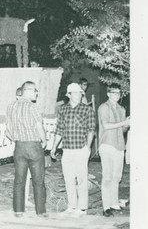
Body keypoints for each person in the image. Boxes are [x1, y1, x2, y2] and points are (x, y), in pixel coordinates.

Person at [51, 83, 96, 217]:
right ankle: (72, 206)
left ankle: (82, 208)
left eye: (80, 93)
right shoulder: (63, 110)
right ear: (69, 95)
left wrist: (87, 147)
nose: (79, 95)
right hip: (67, 150)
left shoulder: (87, 110)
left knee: (81, 179)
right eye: (75, 93)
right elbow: (59, 130)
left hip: (81, 148)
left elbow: (91, 130)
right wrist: (54, 146)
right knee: (68, 178)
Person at [6, 81, 48, 217]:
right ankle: (40, 212)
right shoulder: (32, 107)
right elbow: (38, 126)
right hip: (33, 146)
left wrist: (16, 139)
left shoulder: (11, 106)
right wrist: (45, 140)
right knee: (38, 180)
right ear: (28, 90)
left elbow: (8, 130)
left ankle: (18, 210)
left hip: (19, 147)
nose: (37, 94)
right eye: (35, 91)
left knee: (19, 180)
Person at [97, 84, 130, 217]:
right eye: (114, 92)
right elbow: (106, 125)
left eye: (118, 93)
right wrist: (123, 123)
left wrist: (127, 124)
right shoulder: (103, 107)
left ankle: (114, 203)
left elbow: (122, 130)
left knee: (117, 176)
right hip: (107, 144)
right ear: (108, 94)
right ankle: (106, 207)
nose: (117, 95)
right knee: (107, 176)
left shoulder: (122, 109)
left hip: (119, 145)